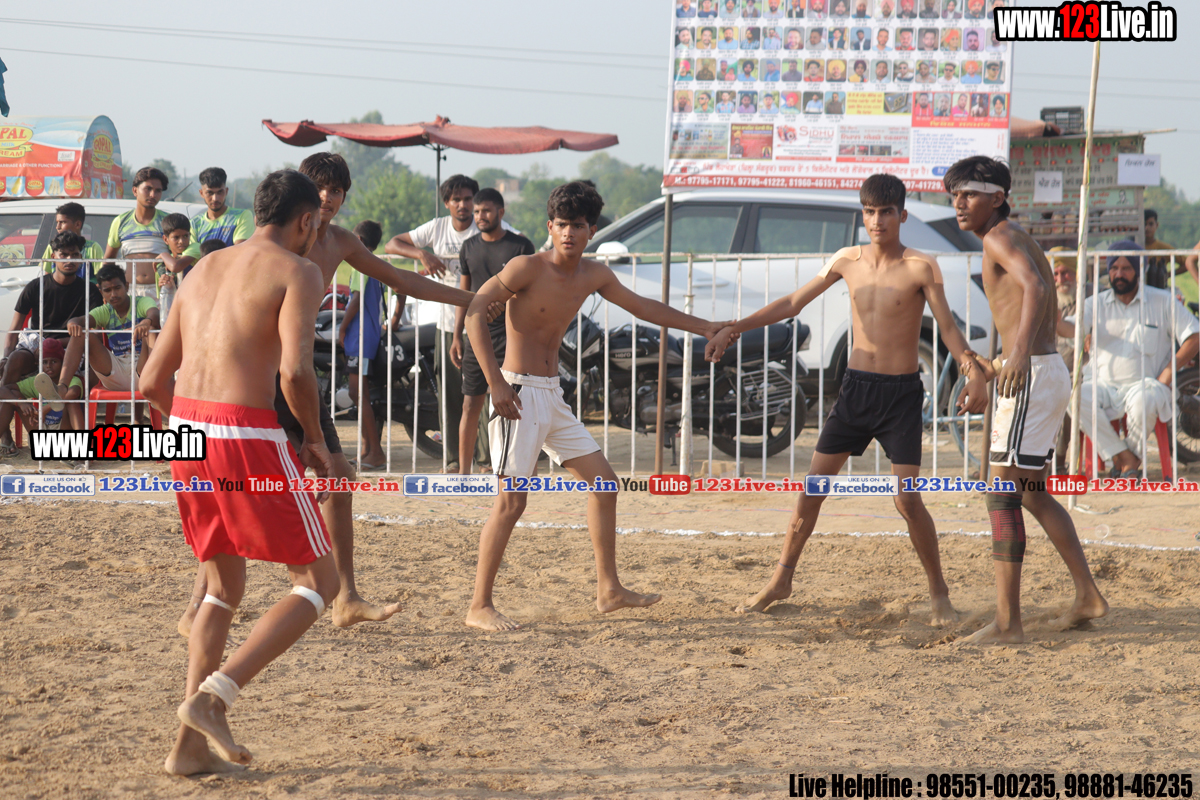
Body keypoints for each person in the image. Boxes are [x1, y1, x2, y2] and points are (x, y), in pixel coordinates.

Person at [179, 153, 489, 638]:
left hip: (298, 377)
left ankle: (345, 597)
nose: (328, 197)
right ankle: (200, 602)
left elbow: (401, 279)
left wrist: (473, 299)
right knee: (234, 493)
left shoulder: (339, 241)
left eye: (337, 190)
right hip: (260, 382)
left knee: (339, 480)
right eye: (319, 187)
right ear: (302, 194)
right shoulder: (267, 246)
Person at [706, 173, 987, 623]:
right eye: (870, 212)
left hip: (900, 396)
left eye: (886, 212)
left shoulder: (921, 266)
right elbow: (793, 302)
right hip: (856, 389)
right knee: (812, 489)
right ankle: (781, 579)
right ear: (863, 214)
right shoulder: (846, 259)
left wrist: (973, 372)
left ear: (902, 215)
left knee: (907, 500)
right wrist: (734, 328)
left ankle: (939, 593)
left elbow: (949, 329)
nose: (878, 221)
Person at [461, 181, 732, 632]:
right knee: (511, 502)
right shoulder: (526, 266)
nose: (569, 232)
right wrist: (496, 384)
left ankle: (609, 590)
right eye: (562, 224)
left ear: (591, 231)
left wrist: (705, 326)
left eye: (578, 225)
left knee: (605, 485)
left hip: (552, 395)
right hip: (517, 393)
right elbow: (475, 309)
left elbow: (643, 307)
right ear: (550, 227)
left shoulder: (594, 275)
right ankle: (479, 605)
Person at [140, 169, 340, 777]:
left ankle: (187, 749)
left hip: (184, 432)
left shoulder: (202, 267)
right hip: (242, 432)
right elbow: (296, 373)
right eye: (316, 225)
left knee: (222, 590)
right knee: (320, 582)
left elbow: (150, 382)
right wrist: (313, 439)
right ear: (305, 221)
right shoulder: (299, 270)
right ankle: (215, 697)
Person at [944, 155, 1108, 645]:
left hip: (1033, 373)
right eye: (954, 195)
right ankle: (1087, 595)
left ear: (997, 197)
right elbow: (1032, 307)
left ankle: (1007, 623)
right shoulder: (1013, 235)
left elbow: (1036, 287)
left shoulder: (998, 236)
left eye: (968, 194)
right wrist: (1001, 363)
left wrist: (1015, 357)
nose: (958, 204)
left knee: (1001, 493)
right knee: (1033, 492)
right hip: (1042, 370)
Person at [385, 174, 516, 474]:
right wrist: (422, 254)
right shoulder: (437, 228)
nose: (464, 205)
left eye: (469, 199)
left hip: (488, 325)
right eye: (457, 199)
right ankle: (454, 459)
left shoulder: (490, 227)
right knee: (452, 395)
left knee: (486, 394)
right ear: (447, 203)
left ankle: (486, 459)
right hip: (449, 324)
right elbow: (393, 244)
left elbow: (519, 249)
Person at [1057, 241, 1199, 477]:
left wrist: (1168, 372)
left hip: (1146, 385)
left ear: (1139, 270)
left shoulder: (1162, 301)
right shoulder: (1096, 303)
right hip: (1102, 384)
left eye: (1126, 268)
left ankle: (1125, 461)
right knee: (1076, 398)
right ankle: (1125, 458)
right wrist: (1052, 315)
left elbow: (1194, 336)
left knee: (1146, 400)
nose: (1119, 274)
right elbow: (1070, 329)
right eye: (1114, 268)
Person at [452, 189, 535, 475]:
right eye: (476, 211)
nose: (480, 216)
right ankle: (463, 473)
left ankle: (518, 470)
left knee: (518, 406)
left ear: (501, 212)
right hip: (476, 337)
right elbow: (463, 294)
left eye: (486, 211)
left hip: (512, 338)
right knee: (470, 406)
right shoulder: (469, 247)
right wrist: (456, 336)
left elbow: (529, 292)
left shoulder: (521, 246)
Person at [60, 263, 158, 421]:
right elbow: (79, 320)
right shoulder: (105, 311)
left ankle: (151, 397)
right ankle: (62, 387)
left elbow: (154, 313)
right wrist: (72, 323)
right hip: (115, 372)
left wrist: (146, 322)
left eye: (117, 288)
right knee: (81, 334)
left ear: (126, 286)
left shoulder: (141, 302)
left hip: (145, 371)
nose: (113, 294)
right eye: (107, 290)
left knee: (151, 329)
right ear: (101, 292)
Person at [3, 231, 101, 389]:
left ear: (81, 258)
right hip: (36, 348)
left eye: (74, 255)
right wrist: (6, 357)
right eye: (64, 255)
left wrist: (54, 344)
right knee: (14, 360)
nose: (69, 260)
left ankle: (63, 398)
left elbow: (95, 336)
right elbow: (14, 329)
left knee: (87, 371)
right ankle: (6, 400)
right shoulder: (35, 286)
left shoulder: (90, 291)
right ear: (53, 257)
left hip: (71, 348)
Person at [337, 221, 389, 471]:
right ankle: (368, 450)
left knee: (357, 393)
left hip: (359, 336)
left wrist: (343, 327)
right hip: (369, 334)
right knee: (361, 393)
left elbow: (356, 299)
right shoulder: (375, 264)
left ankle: (375, 451)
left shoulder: (361, 264)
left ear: (357, 240)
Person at [165, 167, 256, 278]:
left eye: (220, 192)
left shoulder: (242, 216)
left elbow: (239, 252)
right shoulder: (194, 223)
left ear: (226, 191)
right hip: (202, 280)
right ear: (201, 193)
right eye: (210, 193)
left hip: (231, 279)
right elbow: (191, 256)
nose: (215, 198)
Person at [0, 338, 84, 457]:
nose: (49, 366)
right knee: (14, 396)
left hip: (63, 438)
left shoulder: (72, 380)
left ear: (63, 362)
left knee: (71, 402)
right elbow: (3, 389)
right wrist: (21, 403)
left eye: (54, 361)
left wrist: (45, 409)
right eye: (44, 362)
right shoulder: (38, 381)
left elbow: (73, 393)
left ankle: (80, 451)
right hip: (41, 438)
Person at [104, 166, 169, 298]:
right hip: (130, 292)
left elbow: (179, 256)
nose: (153, 195)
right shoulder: (121, 221)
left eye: (158, 191)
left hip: (161, 291)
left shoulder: (167, 221)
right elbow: (108, 260)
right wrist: (106, 287)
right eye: (148, 189)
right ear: (135, 190)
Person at [40, 202, 104, 284]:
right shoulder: (52, 247)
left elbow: (101, 280)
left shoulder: (93, 248)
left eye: (62, 222)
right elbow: (47, 276)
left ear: (77, 224)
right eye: (57, 222)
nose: (57, 227)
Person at [1143, 209, 1177, 290]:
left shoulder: (1163, 247)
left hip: (1159, 289)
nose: (1147, 228)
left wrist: (1167, 275)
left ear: (1157, 225)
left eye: (1151, 224)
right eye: (1144, 224)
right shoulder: (1134, 247)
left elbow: (1186, 263)